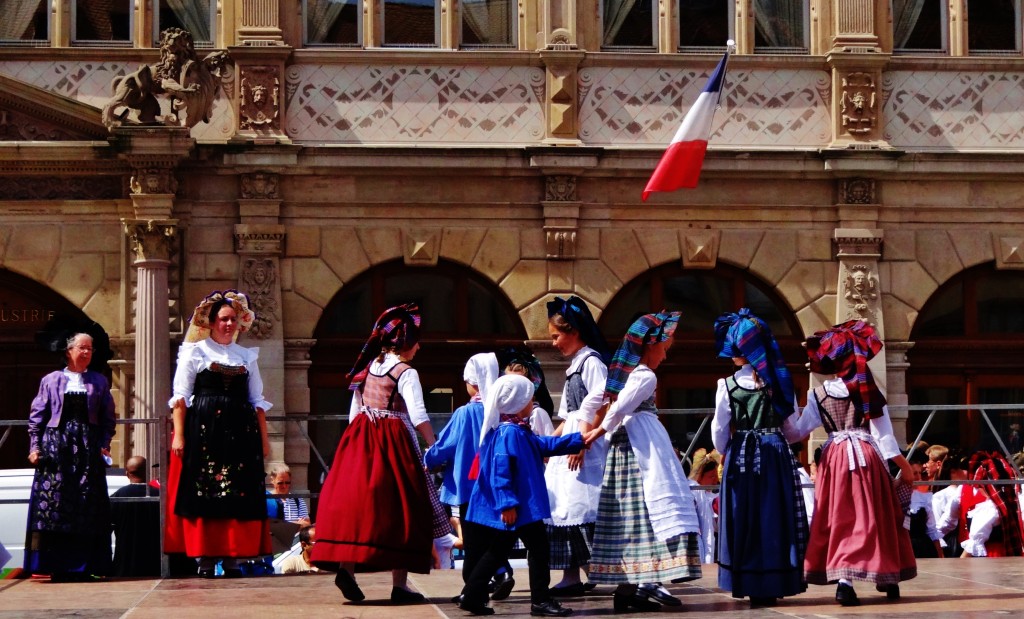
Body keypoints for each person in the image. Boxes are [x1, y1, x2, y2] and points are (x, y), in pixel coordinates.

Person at [312, 303, 451, 604]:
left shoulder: (365, 368)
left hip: (360, 439)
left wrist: (354, 447)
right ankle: (399, 585)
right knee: (403, 506)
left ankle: (347, 569)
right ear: (405, 341)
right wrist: (434, 446)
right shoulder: (406, 372)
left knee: (360, 505)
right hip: (393, 440)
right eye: (416, 341)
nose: (419, 347)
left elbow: (354, 413)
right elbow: (418, 414)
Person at [788, 320, 916, 607]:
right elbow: (884, 436)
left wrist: (782, 415)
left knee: (839, 518)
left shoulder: (817, 394)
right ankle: (887, 576)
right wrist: (904, 466)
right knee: (876, 515)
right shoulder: (867, 388)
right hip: (867, 456)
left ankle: (844, 582)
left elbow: (797, 432)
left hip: (834, 459)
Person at [582, 312, 703, 611]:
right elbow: (620, 407)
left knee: (631, 518)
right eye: (664, 348)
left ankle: (629, 591)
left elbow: (595, 402)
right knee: (644, 515)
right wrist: (597, 431)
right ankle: (637, 586)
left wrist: (592, 428)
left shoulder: (622, 375)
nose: (665, 355)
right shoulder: (645, 376)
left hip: (626, 449)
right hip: (641, 450)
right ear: (651, 345)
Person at [164, 290, 273, 578]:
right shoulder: (195, 351)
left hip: (240, 432)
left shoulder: (246, 356)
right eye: (223, 319)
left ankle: (233, 557)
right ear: (211, 322)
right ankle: (206, 558)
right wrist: (179, 435)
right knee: (206, 492)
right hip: (204, 431)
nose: (228, 324)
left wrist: (264, 440)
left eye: (233, 319)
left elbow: (257, 400)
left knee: (237, 492)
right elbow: (181, 396)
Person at [458, 374, 584, 617]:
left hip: (519, 507)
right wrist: (507, 504)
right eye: (528, 398)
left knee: (498, 550)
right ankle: (540, 600)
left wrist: (578, 440)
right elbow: (501, 471)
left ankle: (472, 595)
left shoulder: (513, 430)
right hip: (520, 507)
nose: (532, 401)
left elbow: (544, 445)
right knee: (538, 549)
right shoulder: (511, 432)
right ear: (516, 402)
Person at [711, 308, 807, 607]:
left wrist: (727, 451)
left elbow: (719, 430)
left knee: (744, 515)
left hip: (741, 451)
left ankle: (749, 580)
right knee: (774, 515)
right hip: (774, 452)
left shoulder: (726, 385)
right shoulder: (779, 382)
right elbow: (792, 429)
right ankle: (776, 580)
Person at [24, 330, 116, 581]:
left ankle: (87, 565)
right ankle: (56, 565)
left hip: (87, 449)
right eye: (82, 348)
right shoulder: (51, 380)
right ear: (68, 351)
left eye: (90, 348)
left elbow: (108, 418)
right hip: (56, 449)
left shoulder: (99, 381)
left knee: (87, 503)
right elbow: (37, 418)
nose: (86, 352)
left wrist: (104, 444)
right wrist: (35, 448)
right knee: (56, 504)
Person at [543, 296, 612, 595]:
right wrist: (550, 444)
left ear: (574, 331)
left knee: (582, 504)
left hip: (585, 444)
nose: (554, 343)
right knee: (564, 505)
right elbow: (568, 415)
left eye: (556, 336)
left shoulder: (592, 362)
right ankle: (571, 575)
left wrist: (582, 444)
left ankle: (600, 569)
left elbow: (603, 405)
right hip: (572, 439)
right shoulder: (575, 365)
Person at [958, 451, 1023, 557]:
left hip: (992, 554)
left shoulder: (990, 509)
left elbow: (974, 543)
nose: (977, 489)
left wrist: (961, 562)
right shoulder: (1012, 503)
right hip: (1008, 553)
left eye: (979, 486)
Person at [111, 455, 161, 577]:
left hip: (125, 564)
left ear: (127, 474)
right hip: (154, 563)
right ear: (148, 472)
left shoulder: (117, 496)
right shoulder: (160, 495)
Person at [906, 451, 943, 558]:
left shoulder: (925, 498)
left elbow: (932, 529)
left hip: (922, 548)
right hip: (902, 548)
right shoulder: (893, 498)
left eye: (919, 473)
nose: (918, 477)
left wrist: (940, 556)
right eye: (914, 473)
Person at [688, 448, 721, 564]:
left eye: (716, 476)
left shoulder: (717, 494)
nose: (715, 479)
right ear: (701, 476)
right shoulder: (694, 492)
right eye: (711, 476)